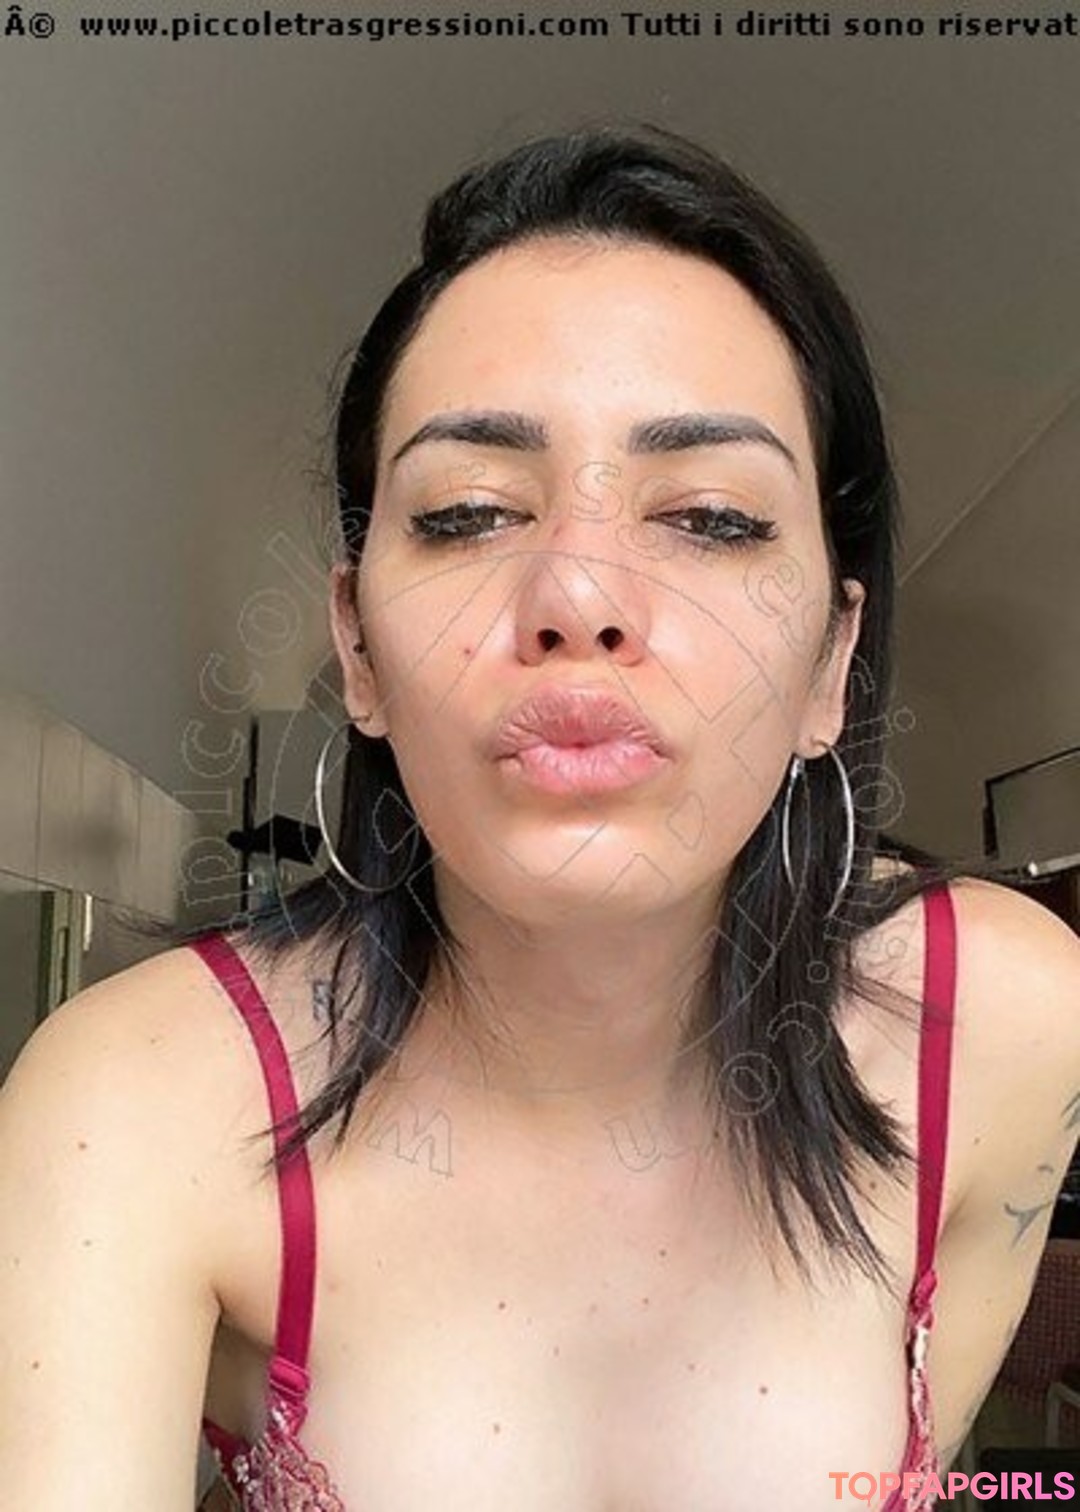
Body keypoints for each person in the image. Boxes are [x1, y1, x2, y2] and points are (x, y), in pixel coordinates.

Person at [2, 122, 1079, 1512]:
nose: (578, 596)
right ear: (358, 648)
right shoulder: (135, 1107)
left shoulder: (1004, 1021)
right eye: (468, 511)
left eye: (710, 516)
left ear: (830, 663)